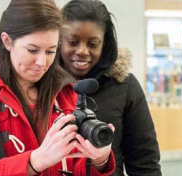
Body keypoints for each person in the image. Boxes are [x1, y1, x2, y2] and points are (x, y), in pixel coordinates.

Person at [0, 0, 116, 175]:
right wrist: (35, 161)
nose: (42, 63)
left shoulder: (65, 92)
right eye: (32, 50)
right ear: (7, 41)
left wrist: (99, 160)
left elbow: (76, 167)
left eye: (50, 51)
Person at [59, 0, 162, 175]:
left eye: (93, 44)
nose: (82, 51)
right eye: (73, 42)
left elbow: (144, 161)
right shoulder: (40, 84)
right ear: (59, 40)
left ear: (105, 44)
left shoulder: (124, 85)